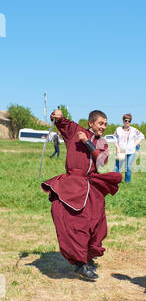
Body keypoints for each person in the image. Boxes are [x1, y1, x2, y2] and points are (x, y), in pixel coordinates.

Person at [41, 108, 122, 281]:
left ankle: (86, 255)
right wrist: (58, 115)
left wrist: (87, 143)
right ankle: (80, 264)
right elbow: (63, 123)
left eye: (105, 124)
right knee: (76, 224)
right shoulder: (76, 131)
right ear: (91, 123)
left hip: (90, 184)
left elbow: (102, 160)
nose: (103, 127)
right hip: (71, 185)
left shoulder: (102, 143)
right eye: (100, 123)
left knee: (97, 223)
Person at [114, 113, 144, 183]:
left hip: (131, 152)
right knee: (117, 167)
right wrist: (118, 148)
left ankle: (127, 182)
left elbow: (141, 136)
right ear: (123, 121)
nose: (127, 122)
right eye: (126, 120)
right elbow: (115, 139)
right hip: (121, 150)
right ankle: (115, 181)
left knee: (128, 168)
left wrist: (135, 144)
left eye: (129, 121)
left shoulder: (134, 130)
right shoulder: (118, 129)